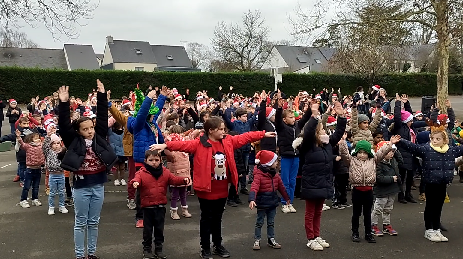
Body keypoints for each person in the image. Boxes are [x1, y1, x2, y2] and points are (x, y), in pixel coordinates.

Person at [149, 116, 275, 259]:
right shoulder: (199, 143)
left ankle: (217, 245)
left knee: (217, 218)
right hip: (206, 190)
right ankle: (205, 247)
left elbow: (244, 137)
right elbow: (182, 145)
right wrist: (165, 146)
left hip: (222, 189)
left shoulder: (228, 141)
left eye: (223, 129)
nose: (223, 131)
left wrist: (262, 134)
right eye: (220, 129)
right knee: (207, 219)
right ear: (210, 131)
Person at [58, 81, 118, 259]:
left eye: (91, 128)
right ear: (78, 131)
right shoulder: (73, 141)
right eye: (85, 129)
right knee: (80, 222)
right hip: (81, 187)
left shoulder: (98, 136)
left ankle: (91, 254)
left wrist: (101, 96)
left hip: (98, 185)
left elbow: (101, 117)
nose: (90, 131)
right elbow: (63, 125)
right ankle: (79, 255)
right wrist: (63, 103)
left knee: (94, 222)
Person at [397, 125, 463, 242]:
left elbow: (461, 149)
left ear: (444, 140)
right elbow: (413, 147)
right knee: (430, 206)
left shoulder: (450, 150)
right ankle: (429, 230)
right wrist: (400, 141)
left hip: (443, 183)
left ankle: (437, 229)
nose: (435, 141)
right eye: (433, 139)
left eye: (438, 139)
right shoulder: (426, 149)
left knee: (439, 206)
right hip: (431, 183)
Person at [297, 101, 346, 251]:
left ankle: (317, 236)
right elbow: (309, 130)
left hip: (323, 181)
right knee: (310, 213)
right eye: (322, 128)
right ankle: (310, 238)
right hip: (311, 182)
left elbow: (338, 133)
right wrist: (314, 116)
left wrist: (341, 116)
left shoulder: (327, 143)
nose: (325, 130)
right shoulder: (307, 144)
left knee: (318, 212)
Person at [130, 150, 191, 259]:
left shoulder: (165, 172)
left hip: (160, 206)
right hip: (147, 207)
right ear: (145, 161)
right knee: (147, 230)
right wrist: (135, 182)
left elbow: (174, 180)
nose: (154, 162)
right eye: (151, 160)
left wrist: (183, 180)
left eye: (156, 160)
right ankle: (147, 249)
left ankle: (159, 248)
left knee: (159, 229)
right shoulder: (141, 172)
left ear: (161, 160)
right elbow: (136, 179)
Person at [339, 137, 400, 243]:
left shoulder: (373, 160)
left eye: (365, 153)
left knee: (367, 214)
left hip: (369, 191)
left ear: (369, 153)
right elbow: (344, 154)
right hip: (357, 190)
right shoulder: (352, 160)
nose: (362, 155)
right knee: (356, 213)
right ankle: (355, 233)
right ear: (356, 152)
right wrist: (343, 142)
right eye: (360, 152)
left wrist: (390, 144)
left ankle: (368, 233)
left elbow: (382, 152)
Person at [127, 86, 168, 228]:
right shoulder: (138, 125)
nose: (153, 116)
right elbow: (143, 113)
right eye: (150, 114)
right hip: (142, 162)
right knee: (142, 191)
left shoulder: (153, 124)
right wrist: (148, 98)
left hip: (156, 160)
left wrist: (161, 97)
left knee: (156, 188)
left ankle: (154, 213)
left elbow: (155, 111)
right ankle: (140, 216)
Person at [249, 150, 290, 251]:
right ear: (269, 163)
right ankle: (257, 239)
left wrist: (287, 198)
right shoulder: (259, 175)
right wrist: (252, 199)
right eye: (275, 161)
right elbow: (254, 187)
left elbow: (281, 187)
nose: (277, 163)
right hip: (262, 203)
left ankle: (271, 239)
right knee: (259, 222)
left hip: (272, 202)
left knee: (271, 222)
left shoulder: (275, 175)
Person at [371, 141, 402, 237]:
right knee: (378, 209)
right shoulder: (378, 163)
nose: (392, 153)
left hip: (392, 189)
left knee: (388, 208)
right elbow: (378, 178)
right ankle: (373, 225)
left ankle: (386, 225)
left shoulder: (393, 161)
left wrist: (395, 149)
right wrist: (391, 179)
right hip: (382, 190)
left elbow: (401, 161)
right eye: (389, 151)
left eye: (393, 151)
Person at [164, 125, 192, 219]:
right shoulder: (182, 143)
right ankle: (177, 210)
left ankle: (180, 210)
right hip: (179, 171)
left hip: (180, 170)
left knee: (179, 193)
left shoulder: (169, 142)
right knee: (178, 193)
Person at [16, 129, 45, 208]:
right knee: (27, 186)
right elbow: (21, 143)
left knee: (36, 186)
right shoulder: (28, 146)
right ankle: (23, 200)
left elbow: (47, 143)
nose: (38, 139)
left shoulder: (41, 145)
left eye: (38, 138)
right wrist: (18, 136)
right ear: (31, 139)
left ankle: (35, 199)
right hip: (30, 169)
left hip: (38, 168)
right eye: (35, 138)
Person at [42, 126, 68, 215]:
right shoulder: (48, 151)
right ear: (51, 144)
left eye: (58, 143)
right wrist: (48, 136)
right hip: (52, 175)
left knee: (61, 191)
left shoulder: (63, 151)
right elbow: (44, 146)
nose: (56, 145)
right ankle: (51, 207)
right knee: (52, 192)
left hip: (61, 174)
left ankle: (62, 206)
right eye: (54, 143)